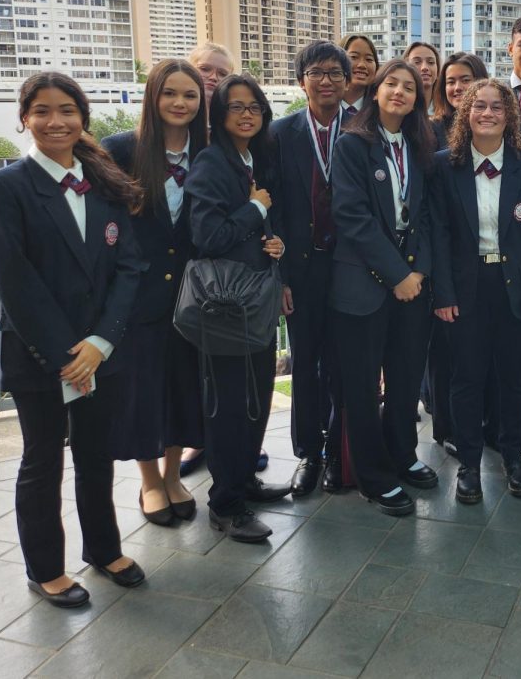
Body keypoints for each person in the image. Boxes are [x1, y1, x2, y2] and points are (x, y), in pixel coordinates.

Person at [0, 72, 146, 607]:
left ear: (83, 118)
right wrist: (68, 356)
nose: (56, 121)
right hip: (40, 356)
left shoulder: (105, 183)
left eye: (68, 110)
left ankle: (103, 548)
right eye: (43, 111)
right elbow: (15, 281)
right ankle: (45, 567)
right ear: (24, 118)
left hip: (100, 351)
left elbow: (131, 267)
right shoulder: (3, 188)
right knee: (42, 459)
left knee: (96, 455)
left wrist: (101, 342)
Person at [431, 79, 521, 503]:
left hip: (515, 288)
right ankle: (468, 462)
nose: (487, 113)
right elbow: (438, 236)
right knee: (466, 377)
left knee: (515, 378)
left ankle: (514, 457)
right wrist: (443, 294)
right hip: (466, 288)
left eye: (496, 107)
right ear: (466, 113)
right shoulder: (445, 165)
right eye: (478, 106)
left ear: (510, 115)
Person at [329, 59, 439, 515]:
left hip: (413, 282)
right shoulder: (352, 145)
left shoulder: (420, 145)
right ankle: (373, 476)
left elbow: (430, 216)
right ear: (374, 91)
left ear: (418, 98)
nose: (399, 92)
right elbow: (351, 217)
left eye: (408, 87)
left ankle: (404, 455)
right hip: (364, 284)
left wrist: (416, 274)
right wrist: (396, 275)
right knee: (360, 385)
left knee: (405, 378)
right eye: (391, 83)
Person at [103, 59, 206, 526]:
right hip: (138, 297)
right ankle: (148, 481)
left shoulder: (209, 150)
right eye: (170, 94)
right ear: (153, 98)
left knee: (183, 388)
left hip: (193, 297)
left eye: (189, 94)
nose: (180, 103)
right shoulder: (121, 151)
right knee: (143, 392)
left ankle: (173, 474)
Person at [186, 74, 288, 541]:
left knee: (255, 396)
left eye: (254, 107)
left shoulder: (253, 160)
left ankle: (244, 481)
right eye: (236, 107)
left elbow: (253, 227)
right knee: (228, 406)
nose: (247, 114)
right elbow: (206, 237)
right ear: (219, 115)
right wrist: (253, 210)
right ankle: (225, 504)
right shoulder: (211, 164)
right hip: (224, 306)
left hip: (254, 300)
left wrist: (272, 243)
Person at [270, 41, 350, 496]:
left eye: (335, 74)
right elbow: (270, 206)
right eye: (316, 73)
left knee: (345, 363)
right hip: (300, 269)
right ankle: (309, 454)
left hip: (350, 268)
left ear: (347, 82)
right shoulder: (280, 134)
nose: (326, 81)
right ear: (301, 81)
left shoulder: (362, 130)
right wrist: (279, 276)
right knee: (305, 362)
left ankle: (341, 450)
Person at [425, 52, 490, 454]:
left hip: (486, 263)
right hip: (444, 258)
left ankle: (481, 421)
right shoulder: (431, 132)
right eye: (450, 80)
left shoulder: (492, 123)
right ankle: (446, 427)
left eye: (465, 79)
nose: (456, 87)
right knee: (444, 352)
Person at [179, 41, 236, 478]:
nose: (212, 78)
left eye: (221, 72)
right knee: (177, 371)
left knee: (222, 374)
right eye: (204, 70)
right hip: (170, 272)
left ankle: (227, 455)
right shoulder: (170, 133)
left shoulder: (231, 138)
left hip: (222, 277)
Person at [341, 34, 379, 119]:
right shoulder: (324, 108)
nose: (362, 65)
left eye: (369, 59)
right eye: (353, 57)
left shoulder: (381, 113)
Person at [406, 42, 441, 114]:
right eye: (417, 62)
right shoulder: (398, 109)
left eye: (431, 62)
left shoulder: (446, 111)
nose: (424, 67)